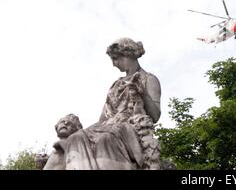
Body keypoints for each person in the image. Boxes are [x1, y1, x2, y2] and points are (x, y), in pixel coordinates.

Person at [50, 38, 161, 170]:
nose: (114, 64)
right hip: (108, 126)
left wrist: (141, 92)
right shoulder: (115, 85)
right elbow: (102, 120)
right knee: (76, 138)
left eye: (115, 58)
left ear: (128, 54)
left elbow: (155, 115)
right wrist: (83, 132)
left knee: (105, 139)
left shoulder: (148, 78)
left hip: (129, 127)